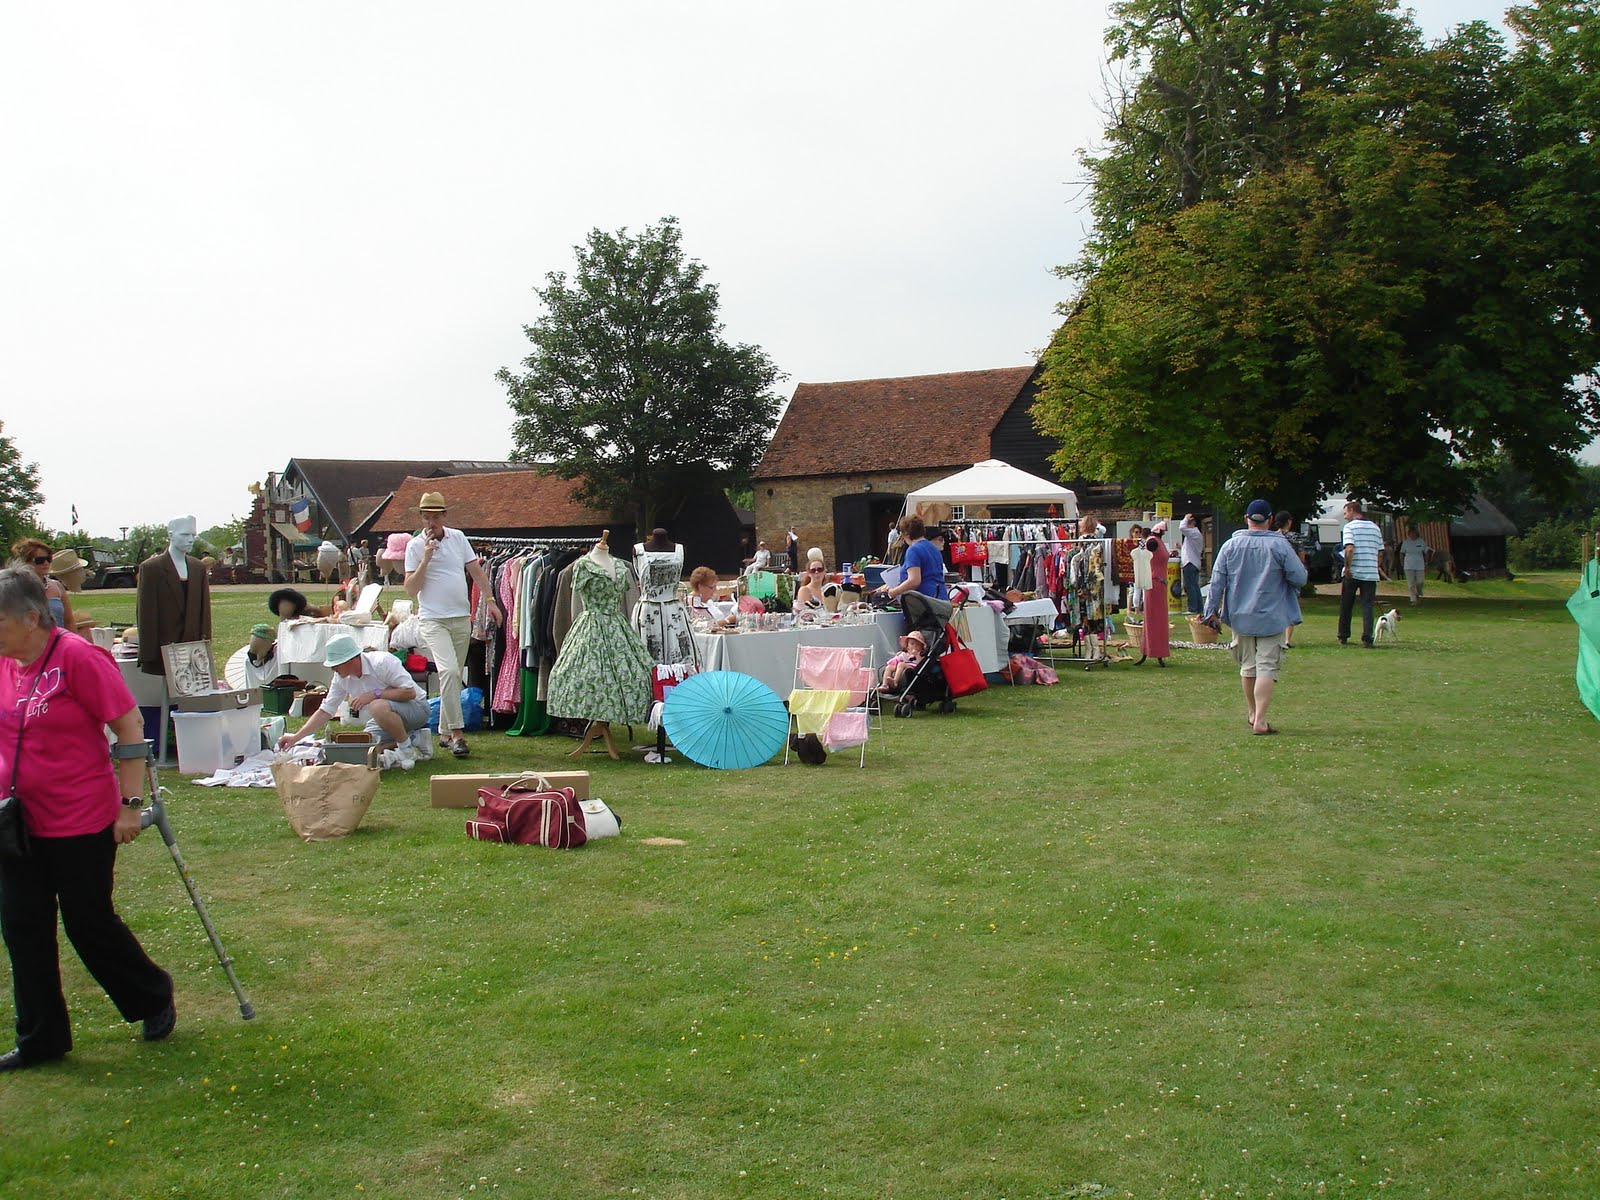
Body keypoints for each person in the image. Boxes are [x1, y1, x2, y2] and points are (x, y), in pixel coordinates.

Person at [0, 565, 175, 1071]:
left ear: (31, 618)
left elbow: (129, 729)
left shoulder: (77, 657)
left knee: (87, 921)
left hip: (80, 817)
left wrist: (129, 804)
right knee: (22, 926)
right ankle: (41, 1038)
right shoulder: (7, 663)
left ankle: (151, 995)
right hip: (18, 820)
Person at [404, 492, 501, 759]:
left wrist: (490, 601)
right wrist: (426, 558)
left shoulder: (458, 538)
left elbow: (476, 571)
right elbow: (411, 589)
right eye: (427, 517)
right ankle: (457, 734)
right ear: (421, 518)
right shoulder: (414, 546)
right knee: (447, 672)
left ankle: (444, 732)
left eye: (436, 516)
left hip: (460, 617)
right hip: (432, 618)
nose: (431, 522)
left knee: (454, 675)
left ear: (444, 516)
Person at [1201, 499, 1307, 735]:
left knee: (1248, 667)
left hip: (1241, 616)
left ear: (1246, 519)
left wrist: (1210, 614)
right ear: (1269, 520)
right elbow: (1299, 578)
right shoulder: (1280, 546)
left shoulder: (1230, 546)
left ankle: (1252, 713)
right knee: (1267, 667)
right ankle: (1260, 719)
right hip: (1273, 616)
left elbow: (1216, 581)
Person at [276, 633, 431, 768]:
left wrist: (375, 694)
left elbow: (409, 692)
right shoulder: (340, 678)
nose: (333, 669)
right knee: (361, 746)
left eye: (335, 664)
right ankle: (414, 739)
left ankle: (406, 751)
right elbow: (325, 711)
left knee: (377, 706)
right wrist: (296, 737)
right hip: (385, 716)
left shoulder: (382, 661)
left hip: (418, 709)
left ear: (351, 660)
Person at [134, 516, 212, 677]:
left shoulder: (198, 568)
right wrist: (148, 653)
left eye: (193, 535)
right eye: (184, 535)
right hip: (164, 647)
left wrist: (205, 643)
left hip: (193, 645)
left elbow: (205, 611)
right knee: (166, 693)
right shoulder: (151, 568)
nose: (190, 540)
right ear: (170, 535)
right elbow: (146, 612)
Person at [1337, 499, 1384, 647]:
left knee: (1346, 604)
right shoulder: (1375, 528)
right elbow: (1380, 552)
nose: (1345, 516)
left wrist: (1347, 567)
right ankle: (1368, 638)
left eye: (1345, 513)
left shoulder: (1350, 527)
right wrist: (1376, 567)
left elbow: (1349, 549)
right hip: (1370, 573)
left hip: (1354, 571)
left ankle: (1343, 635)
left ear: (1351, 510)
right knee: (1367, 606)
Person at [875, 516, 948, 602]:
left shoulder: (913, 550)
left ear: (906, 534)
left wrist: (893, 592)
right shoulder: (934, 548)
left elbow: (914, 581)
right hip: (941, 598)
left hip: (925, 602)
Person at [13, 538, 76, 635]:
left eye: (49, 559)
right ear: (25, 562)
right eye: (40, 560)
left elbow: (69, 621)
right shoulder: (15, 588)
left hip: (59, 644)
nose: (46, 563)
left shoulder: (58, 587)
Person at [1271, 512, 1306, 647]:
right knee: (1291, 603)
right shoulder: (1295, 537)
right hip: (1291, 573)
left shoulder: (1272, 537)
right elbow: (1301, 556)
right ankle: (1287, 639)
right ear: (1289, 522)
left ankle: (1274, 635)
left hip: (1275, 575)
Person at [1177, 513, 1204, 614]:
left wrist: (1185, 518)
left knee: (1190, 586)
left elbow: (1182, 528)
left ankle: (1192, 608)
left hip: (1190, 563)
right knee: (1194, 586)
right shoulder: (1195, 534)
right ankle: (1199, 608)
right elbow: (1190, 549)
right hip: (1194, 562)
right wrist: (1180, 547)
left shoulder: (1193, 533)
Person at [1397, 528, 1432, 605]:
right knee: (1411, 583)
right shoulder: (1406, 542)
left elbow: (1426, 552)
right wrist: (1402, 563)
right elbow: (1401, 553)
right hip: (1408, 565)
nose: (1412, 535)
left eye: (1414, 533)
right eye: (1411, 533)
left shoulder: (1421, 542)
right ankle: (1413, 599)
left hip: (1420, 565)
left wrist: (1426, 562)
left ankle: (1419, 592)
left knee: (1420, 582)